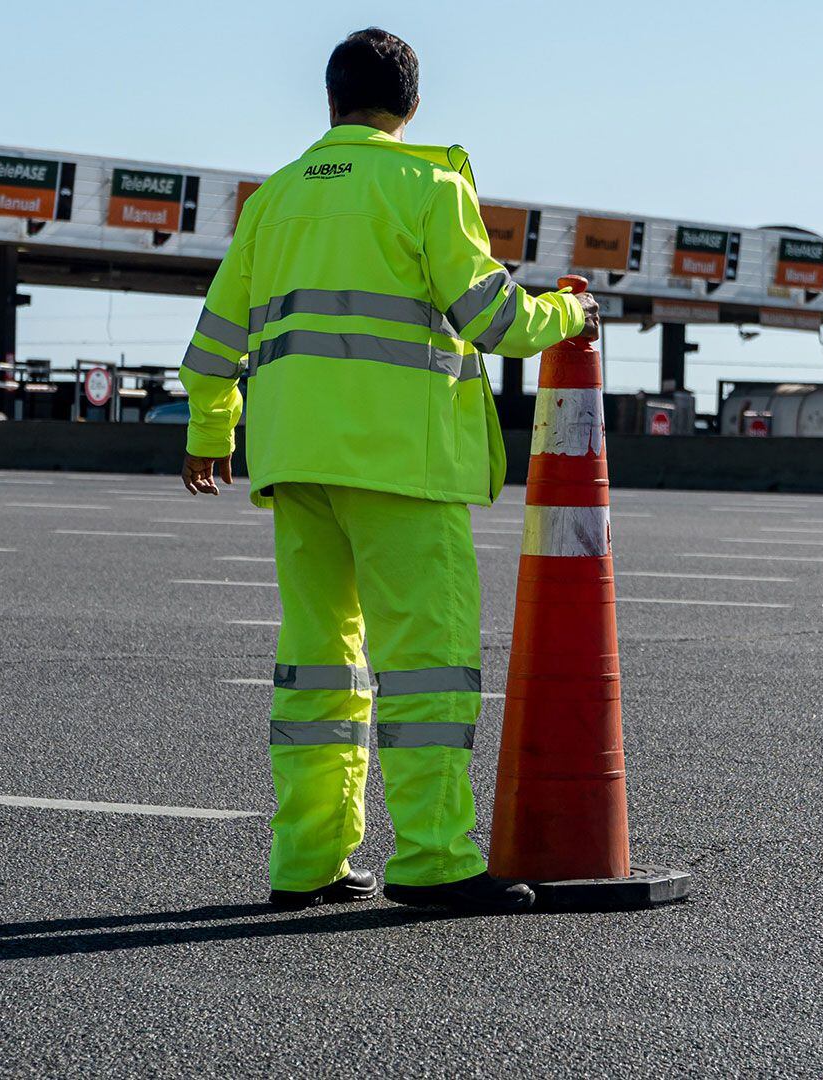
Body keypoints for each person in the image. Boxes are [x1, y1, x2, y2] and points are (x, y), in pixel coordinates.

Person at [176, 27, 600, 914]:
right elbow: (491, 319)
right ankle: (436, 862)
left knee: (318, 669)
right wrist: (567, 314)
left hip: (295, 462)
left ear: (330, 102)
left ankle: (306, 862)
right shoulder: (427, 182)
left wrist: (213, 430)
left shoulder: (276, 198)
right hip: (402, 464)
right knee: (428, 668)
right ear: (411, 107)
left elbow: (214, 341)